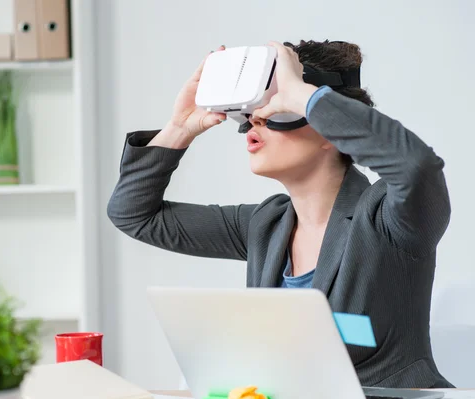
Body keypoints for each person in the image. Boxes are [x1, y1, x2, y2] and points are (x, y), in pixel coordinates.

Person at [106, 40, 453, 389]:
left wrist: (304, 96)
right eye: (252, 113)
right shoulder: (266, 225)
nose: (255, 121)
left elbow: (417, 167)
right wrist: (179, 127)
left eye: (276, 110)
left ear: (329, 130)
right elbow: (135, 214)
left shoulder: (390, 220)